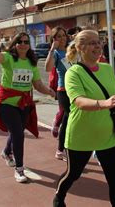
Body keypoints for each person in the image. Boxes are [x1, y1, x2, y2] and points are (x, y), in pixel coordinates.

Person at [54, 30, 115, 207]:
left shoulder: (108, 69)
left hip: (109, 134)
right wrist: (105, 103)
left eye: (98, 42)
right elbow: (78, 101)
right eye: (92, 43)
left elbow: (114, 95)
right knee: (73, 174)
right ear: (80, 48)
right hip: (82, 134)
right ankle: (59, 196)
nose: (97, 46)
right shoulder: (74, 73)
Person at [0, 24, 55, 183]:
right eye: (20, 42)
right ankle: (19, 169)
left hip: (24, 103)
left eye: (26, 42)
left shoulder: (32, 63)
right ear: (15, 44)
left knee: (16, 131)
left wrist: (50, 92)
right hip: (7, 102)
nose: (23, 44)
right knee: (18, 133)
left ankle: (6, 152)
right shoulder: (9, 58)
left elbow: (37, 84)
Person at [45, 27, 72, 161]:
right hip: (63, 90)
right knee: (68, 119)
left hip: (77, 89)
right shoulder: (55, 53)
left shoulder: (71, 50)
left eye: (63, 35)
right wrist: (51, 49)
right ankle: (61, 149)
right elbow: (47, 68)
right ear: (53, 39)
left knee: (72, 119)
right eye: (58, 36)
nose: (62, 38)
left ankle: (65, 148)